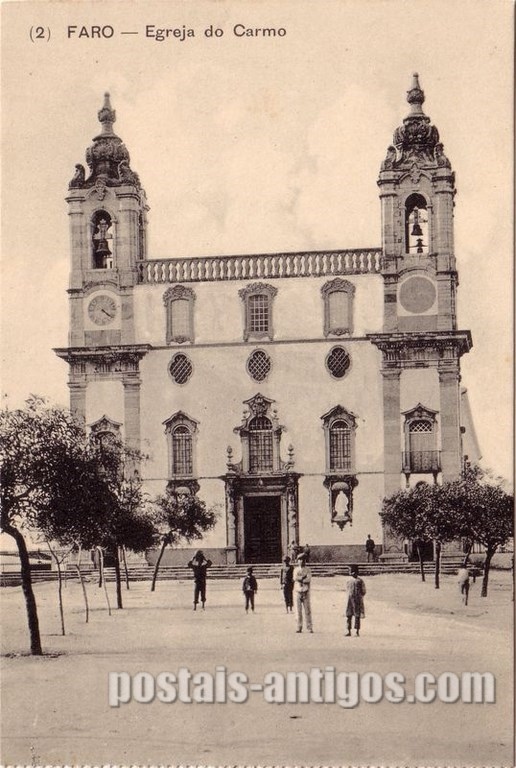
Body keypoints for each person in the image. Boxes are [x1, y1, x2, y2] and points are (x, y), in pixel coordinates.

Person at [293, 553, 313, 633]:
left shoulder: (308, 570)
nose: (301, 561)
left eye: (303, 560)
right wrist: (302, 578)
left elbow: (308, 579)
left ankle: (309, 627)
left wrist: (300, 579)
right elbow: (295, 578)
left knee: (307, 610)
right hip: (297, 591)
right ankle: (299, 626)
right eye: (300, 560)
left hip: (306, 591)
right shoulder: (296, 570)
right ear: (297, 561)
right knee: (298, 611)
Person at [345, 565, 366, 636]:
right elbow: (347, 590)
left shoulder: (360, 581)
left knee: (357, 615)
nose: (349, 572)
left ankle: (357, 631)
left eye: (350, 570)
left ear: (353, 572)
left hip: (357, 600)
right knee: (349, 615)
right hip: (349, 600)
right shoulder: (348, 580)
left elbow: (363, 591)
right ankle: (348, 631)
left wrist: (359, 596)